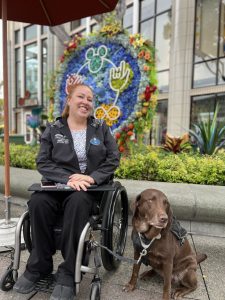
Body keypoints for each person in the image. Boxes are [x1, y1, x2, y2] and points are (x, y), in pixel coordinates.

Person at [13, 74, 120, 300]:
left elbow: (113, 159)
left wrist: (91, 178)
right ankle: (38, 266)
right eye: (81, 96)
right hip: (58, 185)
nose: (86, 102)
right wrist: (69, 177)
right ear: (69, 100)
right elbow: (43, 162)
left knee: (79, 202)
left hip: (88, 190)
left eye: (90, 99)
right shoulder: (54, 128)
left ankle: (69, 272)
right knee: (38, 202)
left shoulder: (101, 128)